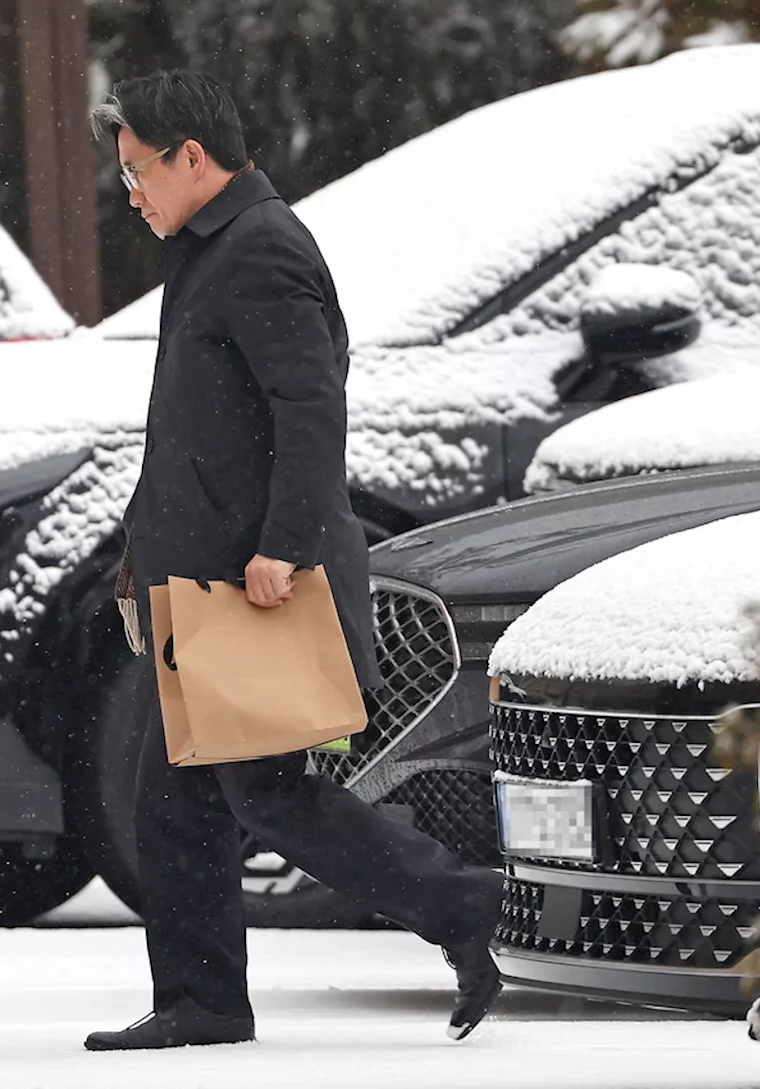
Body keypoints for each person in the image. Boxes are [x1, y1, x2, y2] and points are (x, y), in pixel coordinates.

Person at [84, 70, 504, 1052]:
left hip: (250, 583)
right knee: (174, 801)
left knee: (263, 792)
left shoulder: (261, 251)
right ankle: (202, 1001)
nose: (130, 192)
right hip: (201, 581)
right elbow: (200, 427)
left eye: (137, 171)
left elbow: (310, 413)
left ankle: (466, 908)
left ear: (192, 157)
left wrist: (283, 546)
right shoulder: (208, 248)